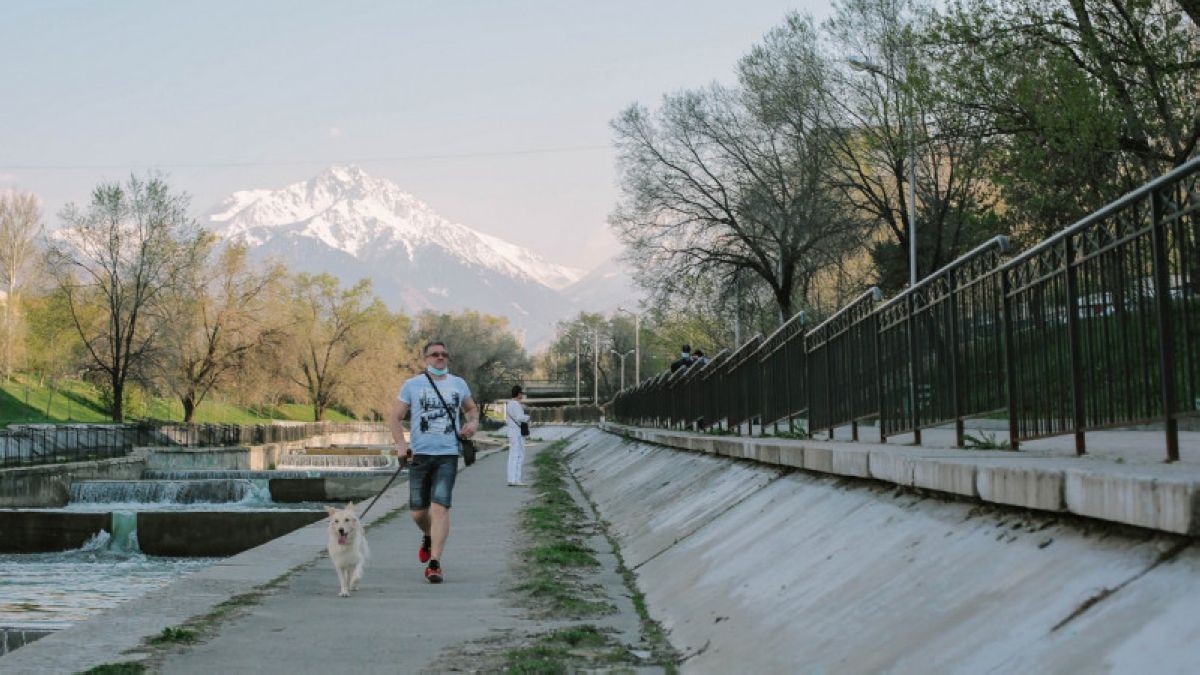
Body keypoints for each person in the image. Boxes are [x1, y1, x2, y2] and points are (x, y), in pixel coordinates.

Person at [388, 340, 479, 584]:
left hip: (448, 455)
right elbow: (395, 418)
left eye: (444, 354)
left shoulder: (458, 384)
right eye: (435, 354)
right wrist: (401, 445)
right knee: (418, 512)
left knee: (440, 508)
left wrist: (472, 424)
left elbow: (471, 410)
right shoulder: (412, 385)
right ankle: (429, 536)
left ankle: (435, 563)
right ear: (425, 359)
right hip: (420, 455)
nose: (440, 358)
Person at [504, 385, 532, 487]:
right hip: (517, 433)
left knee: (512, 456)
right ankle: (516, 479)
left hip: (511, 432)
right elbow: (520, 417)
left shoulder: (509, 404)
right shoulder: (516, 404)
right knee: (519, 455)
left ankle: (511, 479)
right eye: (521, 394)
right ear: (518, 394)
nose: (522, 396)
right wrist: (528, 417)